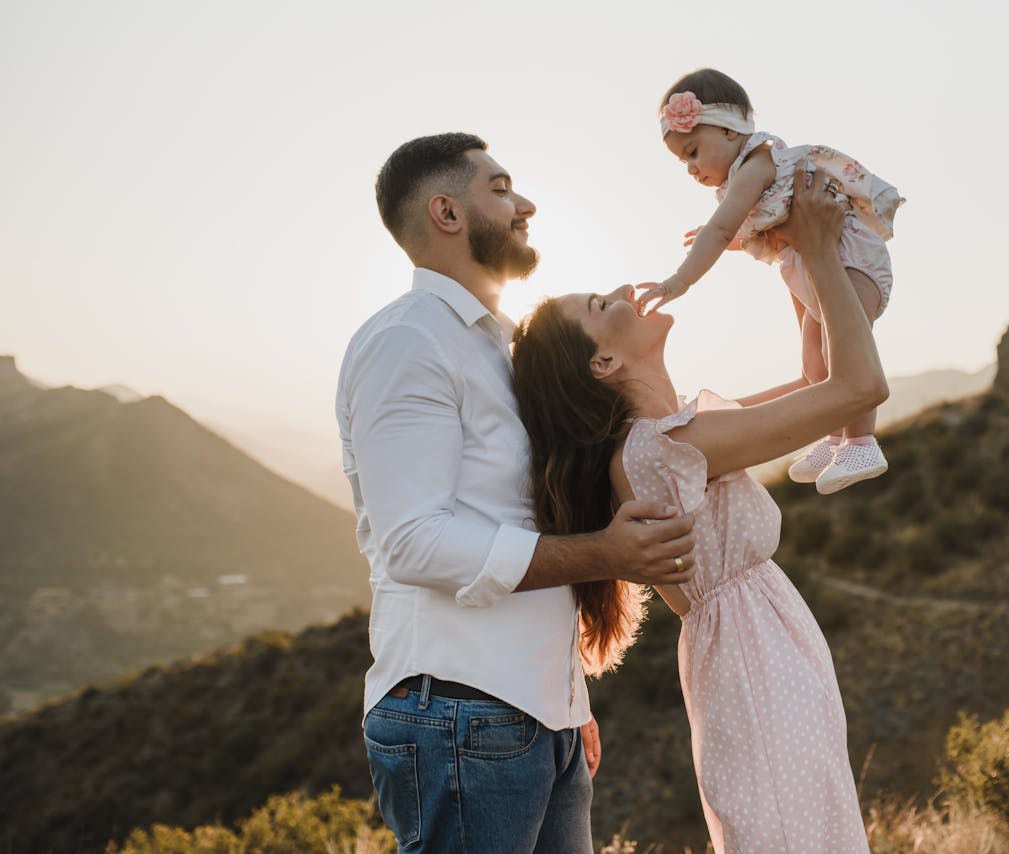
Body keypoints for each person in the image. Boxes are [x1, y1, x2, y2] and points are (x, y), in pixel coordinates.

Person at [335, 132, 698, 854]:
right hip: (460, 714)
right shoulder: (409, 342)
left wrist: (565, 701)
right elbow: (414, 541)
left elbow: (518, 513)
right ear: (446, 212)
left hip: (533, 717)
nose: (525, 203)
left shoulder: (496, 348)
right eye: (500, 189)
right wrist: (604, 552)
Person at [511, 161, 888, 852]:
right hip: (753, 661)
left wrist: (797, 259)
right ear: (603, 365)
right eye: (603, 304)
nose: (627, 291)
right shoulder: (663, 451)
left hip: (763, 649)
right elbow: (859, 387)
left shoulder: (673, 439)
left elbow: (821, 381)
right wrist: (825, 254)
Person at [636, 67, 905, 494]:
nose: (690, 168)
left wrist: (678, 281)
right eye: (681, 161)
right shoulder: (745, 177)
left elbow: (722, 227)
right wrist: (735, 244)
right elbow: (768, 228)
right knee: (814, 363)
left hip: (850, 259)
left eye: (692, 151)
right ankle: (833, 436)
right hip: (812, 263)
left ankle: (861, 440)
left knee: (843, 352)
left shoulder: (758, 162)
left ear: (728, 131)